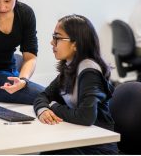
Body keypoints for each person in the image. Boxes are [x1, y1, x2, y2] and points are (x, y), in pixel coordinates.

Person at [33, 14, 118, 154]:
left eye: (57, 38)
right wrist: (43, 109)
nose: (52, 42)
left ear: (75, 44)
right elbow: (43, 95)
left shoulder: (89, 71)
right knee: (49, 149)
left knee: (52, 151)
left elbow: (85, 117)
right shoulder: (69, 66)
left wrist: (53, 106)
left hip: (97, 146)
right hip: (78, 138)